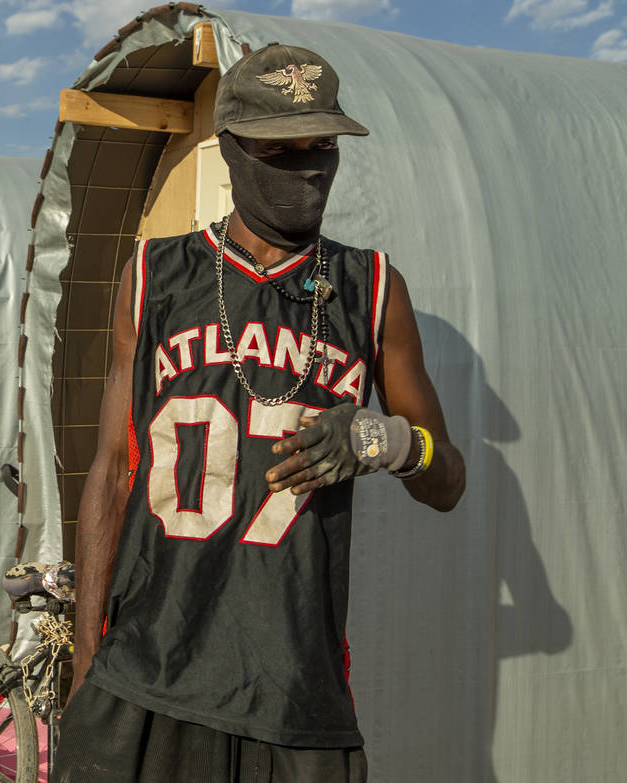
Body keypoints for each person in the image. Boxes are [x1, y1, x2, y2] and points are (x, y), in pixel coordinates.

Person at [54, 43, 466, 782]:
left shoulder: (372, 289)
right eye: (282, 149)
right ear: (235, 151)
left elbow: (448, 479)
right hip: (148, 670)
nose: (306, 169)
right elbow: (112, 472)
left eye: (322, 147)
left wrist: (391, 440)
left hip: (293, 691)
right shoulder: (154, 277)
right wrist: (87, 667)